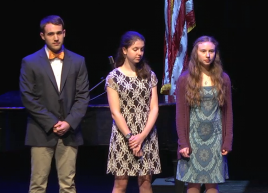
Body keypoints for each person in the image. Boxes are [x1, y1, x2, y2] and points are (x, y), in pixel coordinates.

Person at [19, 15, 90, 193]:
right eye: (51, 34)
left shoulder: (78, 61)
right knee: (38, 185)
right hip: (41, 131)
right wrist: (52, 123)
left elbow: (83, 97)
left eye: (59, 33)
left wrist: (68, 123)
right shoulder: (30, 62)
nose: (56, 38)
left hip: (69, 132)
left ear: (64, 33)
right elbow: (28, 97)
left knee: (68, 185)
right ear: (43, 36)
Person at [175, 36, 233, 193]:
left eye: (211, 51)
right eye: (203, 51)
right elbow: (180, 114)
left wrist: (227, 140)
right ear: (196, 53)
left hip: (215, 138)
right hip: (193, 138)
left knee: (212, 184)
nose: (208, 55)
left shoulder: (223, 79)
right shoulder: (185, 79)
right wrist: (183, 143)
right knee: (192, 184)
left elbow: (228, 113)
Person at [105, 31, 161, 193]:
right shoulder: (113, 77)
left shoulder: (150, 76)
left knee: (145, 184)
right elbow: (115, 112)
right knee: (120, 185)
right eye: (135, 49)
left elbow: (154, 108)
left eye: (142, 49)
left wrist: (142, 136)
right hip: (123, 136)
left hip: (147, 134)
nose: (139, 53)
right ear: (125, 50)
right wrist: (131, 139)